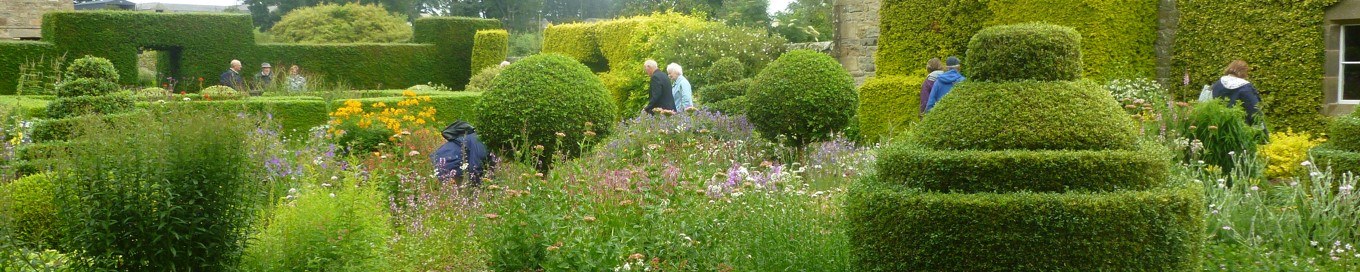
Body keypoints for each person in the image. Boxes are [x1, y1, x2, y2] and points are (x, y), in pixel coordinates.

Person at [1211, 60, 1266, 133]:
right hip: (1240, 129)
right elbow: (1254, 110)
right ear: (1244, 71)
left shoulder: (1218, 84)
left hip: (1218, 125)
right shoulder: (1245, 87)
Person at [431, 120, 492, 186]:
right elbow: (475, 168)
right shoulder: (481, 141)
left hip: (438, 160)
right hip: (447, 164)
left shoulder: (474, 135)